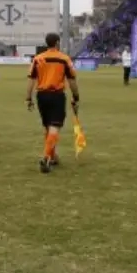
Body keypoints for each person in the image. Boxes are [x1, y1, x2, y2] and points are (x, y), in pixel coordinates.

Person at [25, 32, 80, 174]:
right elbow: (72, 80)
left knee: (48, 126)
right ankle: (46, 157)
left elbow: (31, 79)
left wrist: (28, 98)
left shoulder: (38, 58)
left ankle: (52, 156)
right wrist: (76, 97)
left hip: (42, 96)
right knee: (55, 126)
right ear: (57, 43)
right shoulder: (64, 59)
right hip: (56, 95)